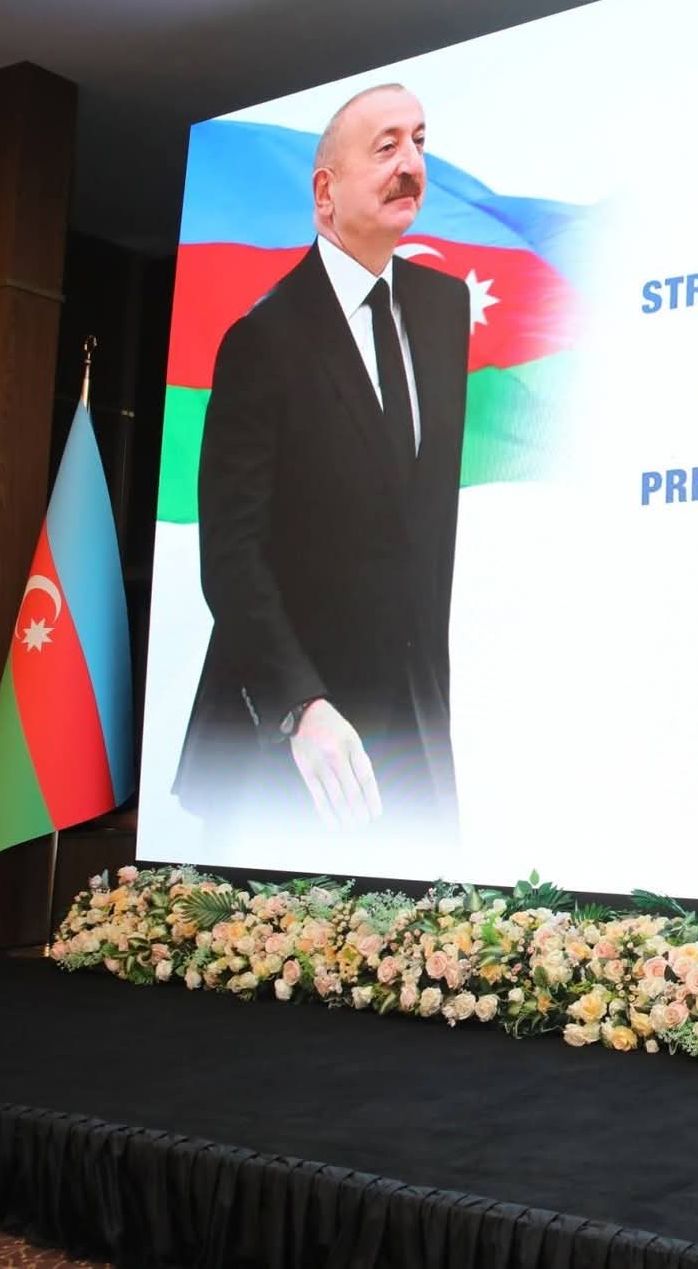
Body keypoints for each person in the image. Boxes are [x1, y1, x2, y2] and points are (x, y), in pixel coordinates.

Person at [174, 84, 469, 861]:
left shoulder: (444, 311)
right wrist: (299, 705)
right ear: (325, 192)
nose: (411, 163)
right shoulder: (262, 339)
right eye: (386, 146)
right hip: (288, 750)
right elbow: (230, 555)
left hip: (412, 742)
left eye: (420, 141)